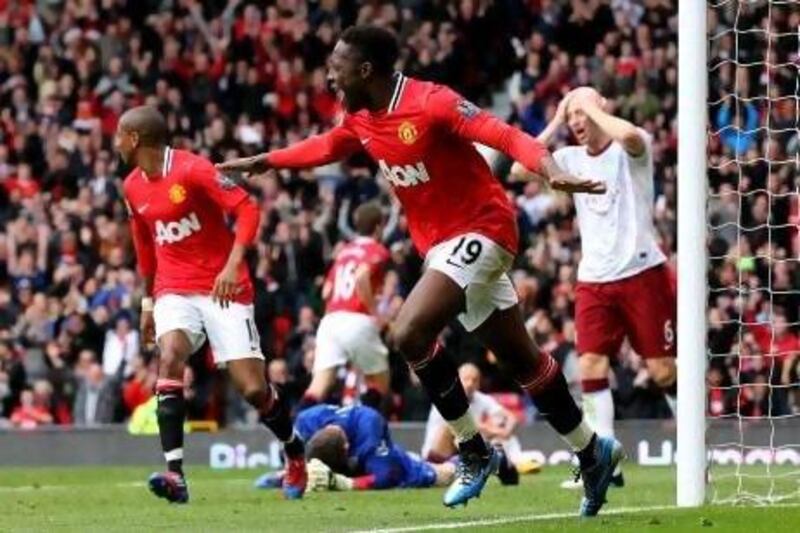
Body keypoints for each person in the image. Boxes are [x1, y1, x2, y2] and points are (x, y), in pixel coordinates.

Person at [218, 25, 621, 515]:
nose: (330, 73)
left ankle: (472, 449)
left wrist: (549, 167)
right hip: (442, 246)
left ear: (365, 70)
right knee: (523, 361)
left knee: (409, 332)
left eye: (338, 65)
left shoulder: (431, 102)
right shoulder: (362, 116)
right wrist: (268, 160)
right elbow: (326, 146)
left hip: (484, 228)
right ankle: (591, 449)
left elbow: (504, 134)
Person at [116, 106, 306, 504]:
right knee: (169, 357)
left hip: (224, 290)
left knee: (253, 389)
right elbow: (144, 248)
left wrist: (234, 265)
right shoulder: (131, 186)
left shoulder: (193, 169)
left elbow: (247, 208)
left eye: (119, 136)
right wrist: (148, 303)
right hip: (173, 289)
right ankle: (176, 475)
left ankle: (293, 450)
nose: (115, 143)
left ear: (134, 139)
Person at [512, 87, 677, 488]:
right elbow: (518, 169)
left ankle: (695, 443)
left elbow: (633, 138)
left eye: (582, 115)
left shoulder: (631, 150)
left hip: (642, 272)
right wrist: (555, 120)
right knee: (589, 364)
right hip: (594, 279)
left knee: (662, 371)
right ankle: (605, 461)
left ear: (602, 109)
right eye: (573, 119)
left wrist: (589, 106)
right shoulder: (567, 158)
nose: (577, 123)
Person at [255, 404, 517, 492]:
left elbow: (386, 476)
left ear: (347, 449)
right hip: (363, 462)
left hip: (401, 467)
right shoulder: (308, 420)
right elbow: (294, 449)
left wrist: (343, 484)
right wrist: (286, 474)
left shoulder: (369, 425)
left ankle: (491, 458)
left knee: (443, 474)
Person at [299, 201, 392, 413]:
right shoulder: (377, 249)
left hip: (331, 320)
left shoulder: (344, 252)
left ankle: (297, 434)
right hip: (357, 318)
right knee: (380, 381)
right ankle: (365, 431)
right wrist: (376, 313)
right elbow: (361, 277)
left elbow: (326, 291)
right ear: (378, 227)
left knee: (318, 386)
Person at [421, 363, 537, 475]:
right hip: (435, 456)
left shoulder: (481, 398)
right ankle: (500, 463)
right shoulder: (446, 398)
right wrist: (497, 432)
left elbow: (510, 417)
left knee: (494, 431)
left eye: (474, 380)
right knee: (454, 429)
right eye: (466, 379)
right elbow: (468, 425)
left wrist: (506, 431)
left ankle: (511, 462)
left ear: (478, 384)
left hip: (461, 450)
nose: (470, 384)